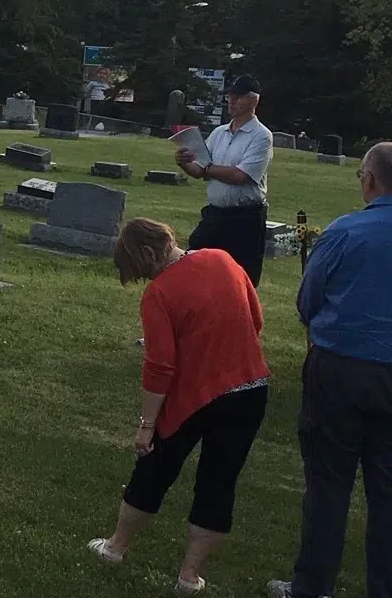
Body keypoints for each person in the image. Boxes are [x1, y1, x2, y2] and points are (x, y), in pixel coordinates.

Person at [267, 142, 392, 598]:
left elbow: (309, 300)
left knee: (328, 485)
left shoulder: (344, 232)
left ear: (370, 179)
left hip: (341, 370)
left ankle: (312, 587)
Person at [88, 218, 270, 594]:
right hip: (249, 388)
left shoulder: (160, 293)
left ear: (149, 254)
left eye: (139, 271)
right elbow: (256, 319)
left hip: (193, 395)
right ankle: (190, 576)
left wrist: (146, 425)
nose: (143, 280)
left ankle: (116, 547)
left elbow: (159, 367)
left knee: (155, 466)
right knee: (219, 482)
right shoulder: (223, 260)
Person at [174, 74, 273, 287]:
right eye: (230, 96)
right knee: (196, 261)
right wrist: (184, 162)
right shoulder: (219, 133)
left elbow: (240, 176)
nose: (232, 100)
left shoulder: (261, 136)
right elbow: (199, 170)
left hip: (245, 217)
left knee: (241, 277)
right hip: (216, 213)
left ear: (254, 101)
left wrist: (208, 168)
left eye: (238, 96)